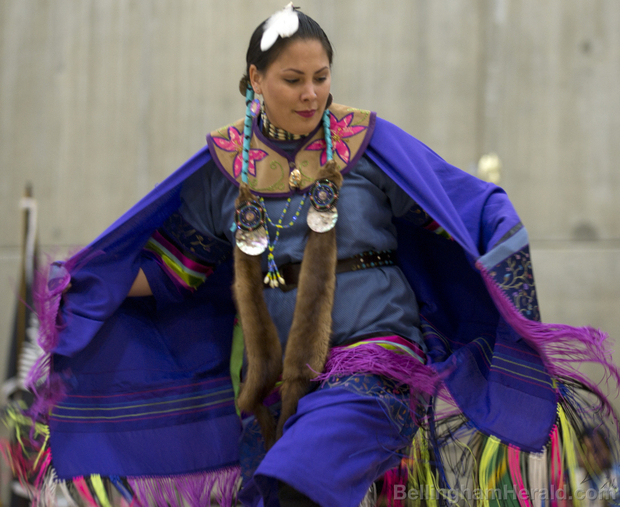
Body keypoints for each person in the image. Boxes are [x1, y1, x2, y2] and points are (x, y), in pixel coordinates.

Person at [11, 4, 619, 507]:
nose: (311, 93)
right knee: (269, 493)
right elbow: (178, 269)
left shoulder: (369, 145)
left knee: (297, 481)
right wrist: (87, 285)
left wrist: (494, 240)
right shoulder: (223, 170)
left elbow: (454, 209)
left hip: (378, 361)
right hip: (277, 384)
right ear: (254, 79)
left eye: (321, 77)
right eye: (293, 79)